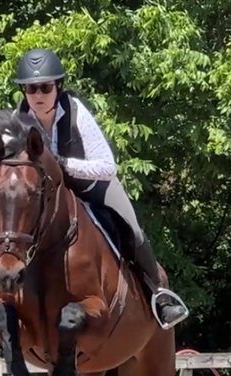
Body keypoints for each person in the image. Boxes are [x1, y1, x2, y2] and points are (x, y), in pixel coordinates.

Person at [11, 48, 189, 330]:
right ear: (24, 90)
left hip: (92, 186)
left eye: (45, 87)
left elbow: (107, 166)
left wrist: (63, 164)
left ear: (57, 86)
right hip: (47, 197)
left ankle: (160, 296)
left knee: (132, 228)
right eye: (31, 88)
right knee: (6, 232)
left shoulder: (76, 113)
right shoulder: (17, 121)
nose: (38, 94)